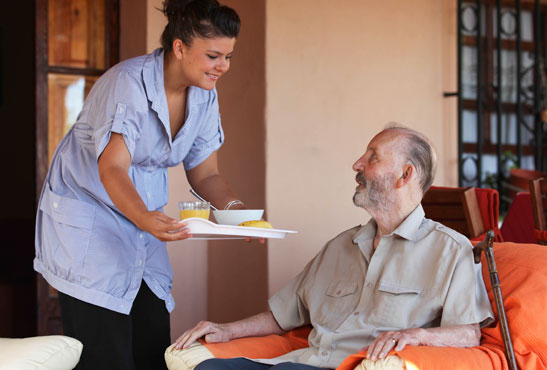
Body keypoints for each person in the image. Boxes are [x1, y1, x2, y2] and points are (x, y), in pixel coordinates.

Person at [34, 1, 248, 369]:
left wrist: (237, 214)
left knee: (152, 349)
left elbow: (205, 174)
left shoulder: (204, 94)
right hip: (91, 225)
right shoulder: (127, 84)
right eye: (214, 55)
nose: (223, 67)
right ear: (180, 47)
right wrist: (145, 218)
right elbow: (112, 168)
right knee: (105, 356)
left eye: (228, 57)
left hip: (142, 225)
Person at [173, 124, 494, 370]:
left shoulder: (451, 252)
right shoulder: (339, 247)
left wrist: (419, 336)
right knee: (208, 367)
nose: (357, 164)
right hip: (301, 362)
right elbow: (284, 314)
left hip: (352, 366)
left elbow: (468, 334)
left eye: (372, 157)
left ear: (404, 175)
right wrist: (226, 330)